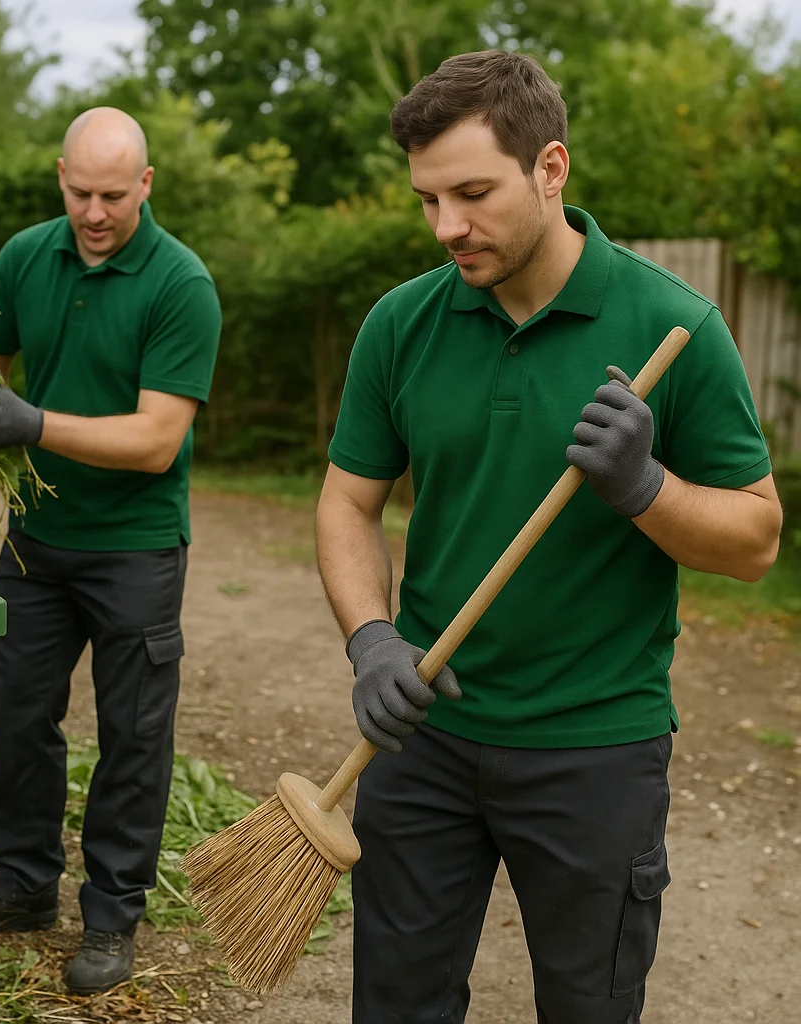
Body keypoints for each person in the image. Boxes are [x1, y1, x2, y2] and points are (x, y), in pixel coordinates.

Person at [316, 50, 782, 1024]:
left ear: (551, 169)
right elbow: (347, 502)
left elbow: (753, 542)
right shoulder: (401, 325)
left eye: (473, 194)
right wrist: (370, 640)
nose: (448, 227)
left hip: (594, 749)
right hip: (423, 732)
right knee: (394, 1003)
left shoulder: (672, 324)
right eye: (427, 200)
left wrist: (645, 486)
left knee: (588, 1005)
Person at [0, 107, 222, 996]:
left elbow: (157, 440)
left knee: (133, 737)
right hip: (37, 539)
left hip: (134, 547)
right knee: (17, 720)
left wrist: (36, 422)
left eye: (112, 194)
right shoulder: (26, 256)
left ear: (146, 185)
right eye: (78, 191)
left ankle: (110, 915)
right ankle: (22, 884)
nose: (94, 213)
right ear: (60, 174)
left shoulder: (182, 285)